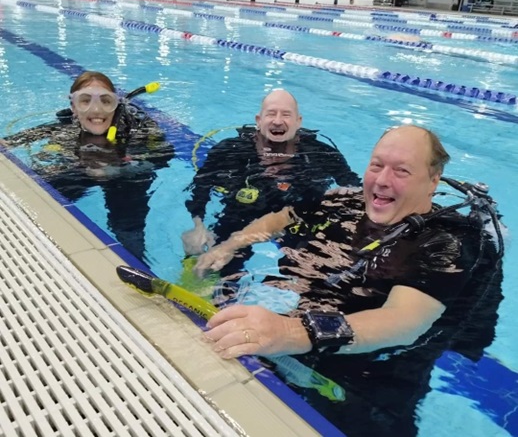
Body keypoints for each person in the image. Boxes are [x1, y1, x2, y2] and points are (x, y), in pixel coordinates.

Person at [196, 125, 503, 436]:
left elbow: (404, 319)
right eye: (377, 165)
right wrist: (231, 245)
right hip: (300, 340)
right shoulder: (345, 202)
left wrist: (292, 331)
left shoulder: (449, 241)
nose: (382, 180)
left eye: (402, 171)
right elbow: (284, 217)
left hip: (374, 373)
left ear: (433, 181)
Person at [181, 89, 360, 275]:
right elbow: (200, 186)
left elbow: (352, 183)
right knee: (210, 261)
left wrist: (347, 191)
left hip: (298, 219)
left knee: (308, 269)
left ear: (298, 122)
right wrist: (198, 225)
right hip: (239, 216)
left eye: (286, 114)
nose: (277, 120)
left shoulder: (323, 154)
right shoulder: (229, 149)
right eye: (271, 113)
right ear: (258, 120)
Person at [1, 71, 175, 262]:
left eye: (105, 101)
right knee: (35, 196)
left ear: (115, 105)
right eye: (85, 101)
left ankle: (137, 264)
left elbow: (164, 156)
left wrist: (117, 170)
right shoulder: (69, 125)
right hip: (83, 171)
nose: (97, 110)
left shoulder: (137, 129)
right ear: (73, 107)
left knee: (128, 231)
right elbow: (25, 136)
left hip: (126, 177)